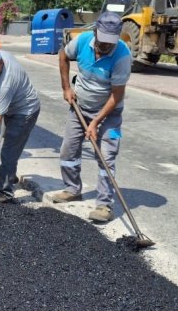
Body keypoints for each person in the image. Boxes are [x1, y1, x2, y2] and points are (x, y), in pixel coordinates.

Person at [47, 12, 132, 223]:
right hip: (79, 107)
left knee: (106, 157)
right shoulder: (83, 41)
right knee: (69, 148)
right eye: (103, 41)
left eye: (111, 42)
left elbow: (116, 95)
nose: (107, 46)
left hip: (109, 113)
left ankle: (104, 205)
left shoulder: (122, 56)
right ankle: (72, 188)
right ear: (95, 32)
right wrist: (66, 88)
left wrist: (95, 122)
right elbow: (63, 56)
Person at [0, 45, 41, 203]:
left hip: (25, 112)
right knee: (5, 145)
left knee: (8, 151)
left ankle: (5, 193)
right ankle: (6, 177)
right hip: (13, 106)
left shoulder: (6, 84)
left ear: (0, 64)